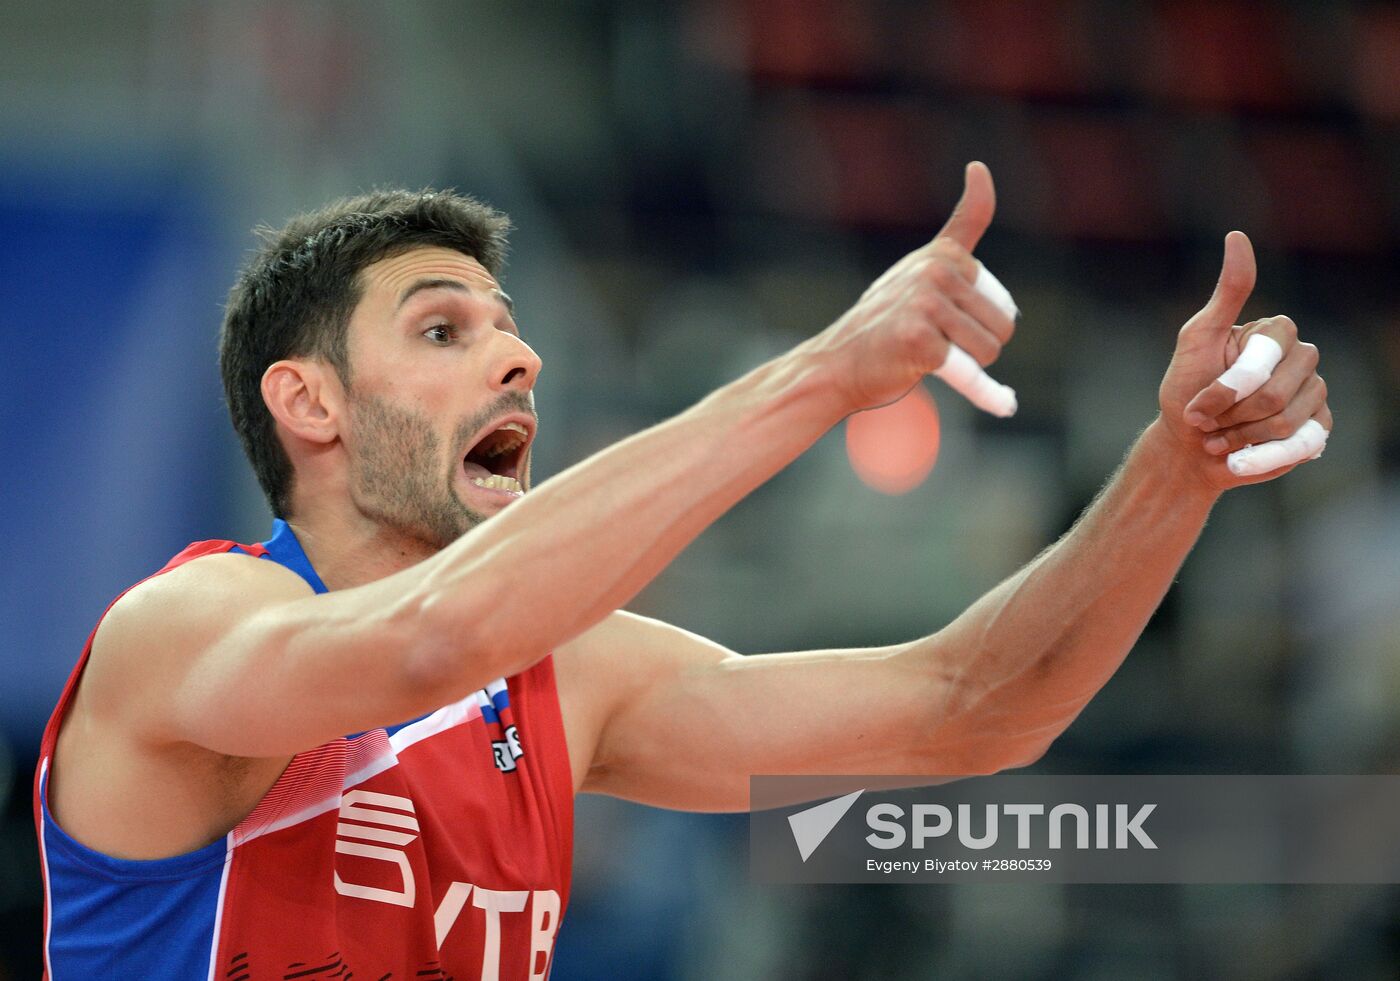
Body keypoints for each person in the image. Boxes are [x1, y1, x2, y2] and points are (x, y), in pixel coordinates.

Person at [33, 163, 1331, 978]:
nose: (519, 359)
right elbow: (423, 641)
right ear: (307, 404)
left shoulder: (564, 680)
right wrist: (826, 372)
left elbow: (972, 709)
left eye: (510, 325)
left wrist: (1177, 469)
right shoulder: (187, 625)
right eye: (443, 326)